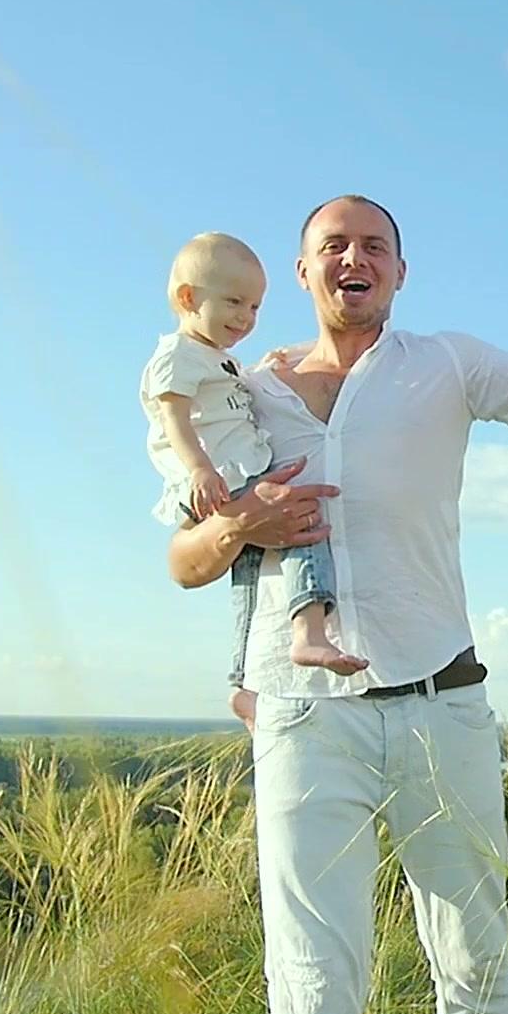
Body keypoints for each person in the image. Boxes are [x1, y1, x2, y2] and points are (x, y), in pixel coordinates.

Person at [167, 195, 508, 1014]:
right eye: (334, 246)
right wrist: (244, 522)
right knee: (313, 982)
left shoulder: (447, 362)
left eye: (374, 246)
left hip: (439, 699)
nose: (356, 259)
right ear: (303, 272)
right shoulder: (243, 389)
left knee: (477, 968)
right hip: (303, 714)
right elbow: (183, 562)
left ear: (401, 272)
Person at [141, 232, 363, 696]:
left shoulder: (216, 359)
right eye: (234, 303)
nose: (246, 318)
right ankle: (310, 631)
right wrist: (201, 469)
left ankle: (243, 683)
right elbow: (173, 418)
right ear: (188, 298)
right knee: (302, 522)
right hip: (226, 476)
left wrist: (274, 360)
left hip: (232, 474)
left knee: (249, 572)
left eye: (255, 308)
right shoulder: (177, 355)